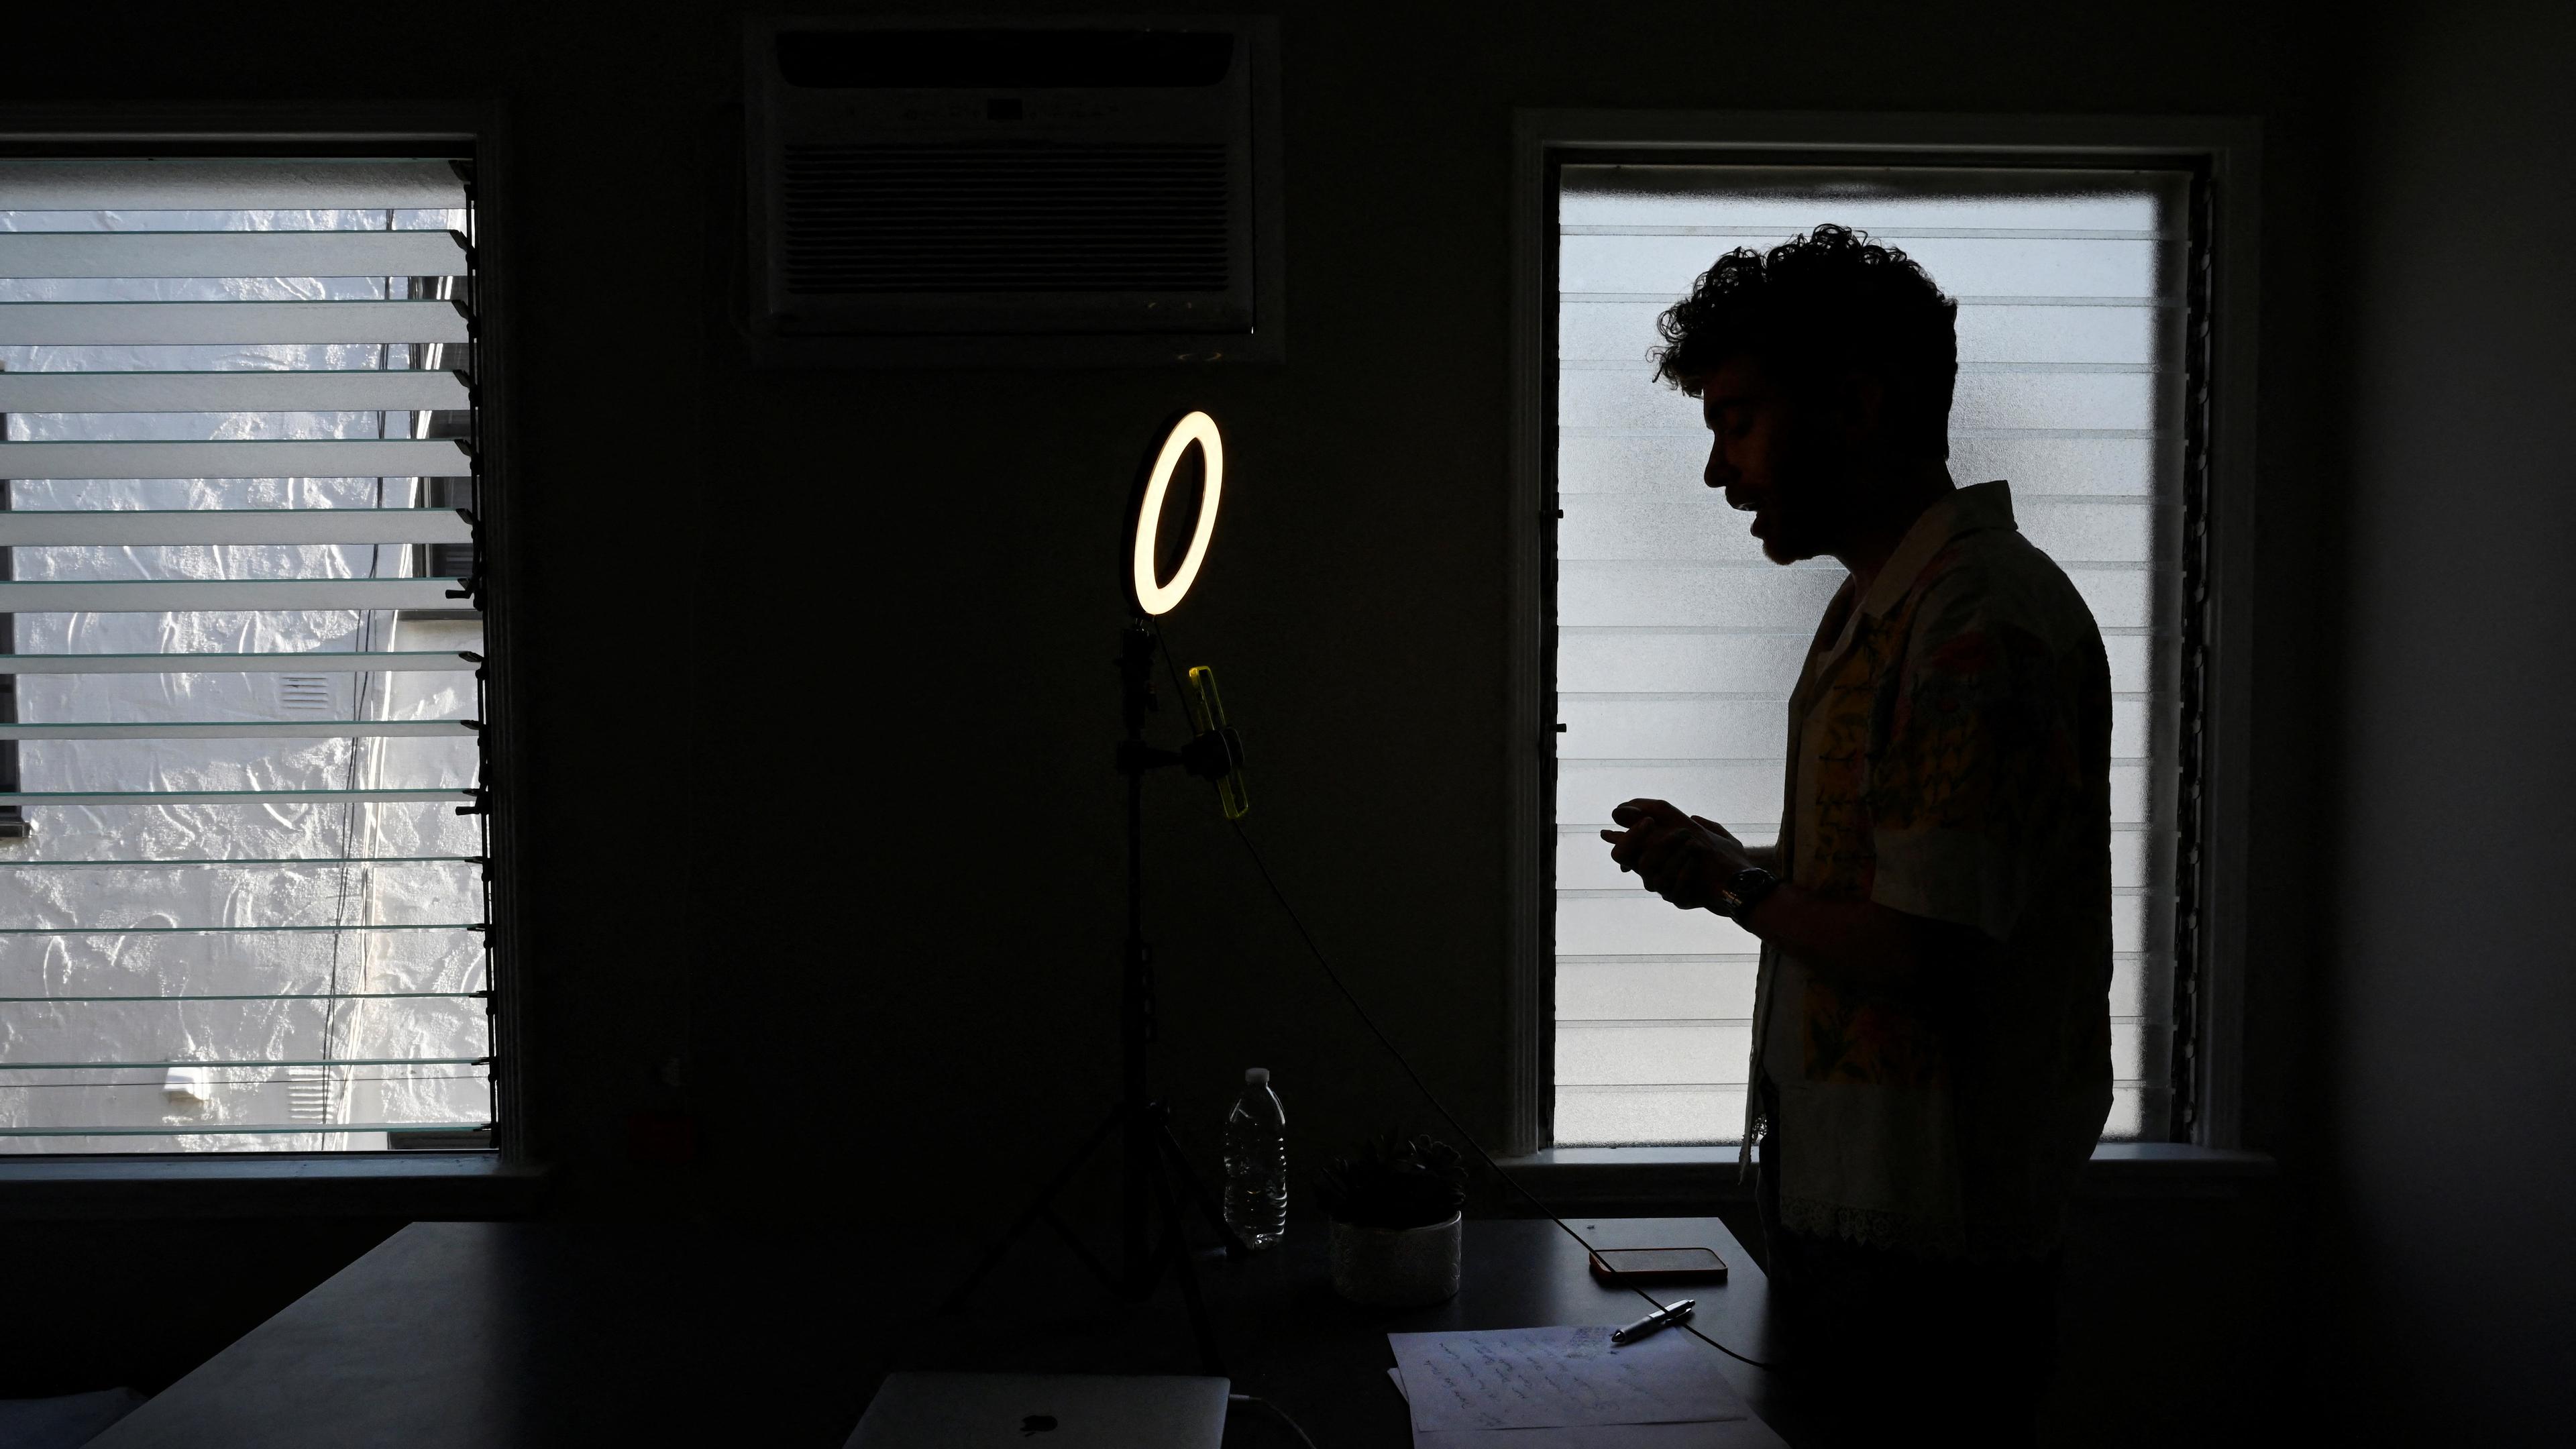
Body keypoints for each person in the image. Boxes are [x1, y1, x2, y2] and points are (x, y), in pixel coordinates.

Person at [1599, 225, 2112, 1447]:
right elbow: (1902, 884)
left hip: (1928, 1246)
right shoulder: (1887, 606)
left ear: (1860, 402)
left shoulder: (1975, 623)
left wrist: (1731, 882)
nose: (1723, 473)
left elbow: (1925, 948)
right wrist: (1747, 864)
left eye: (1738, 420)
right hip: (1868, 1219)